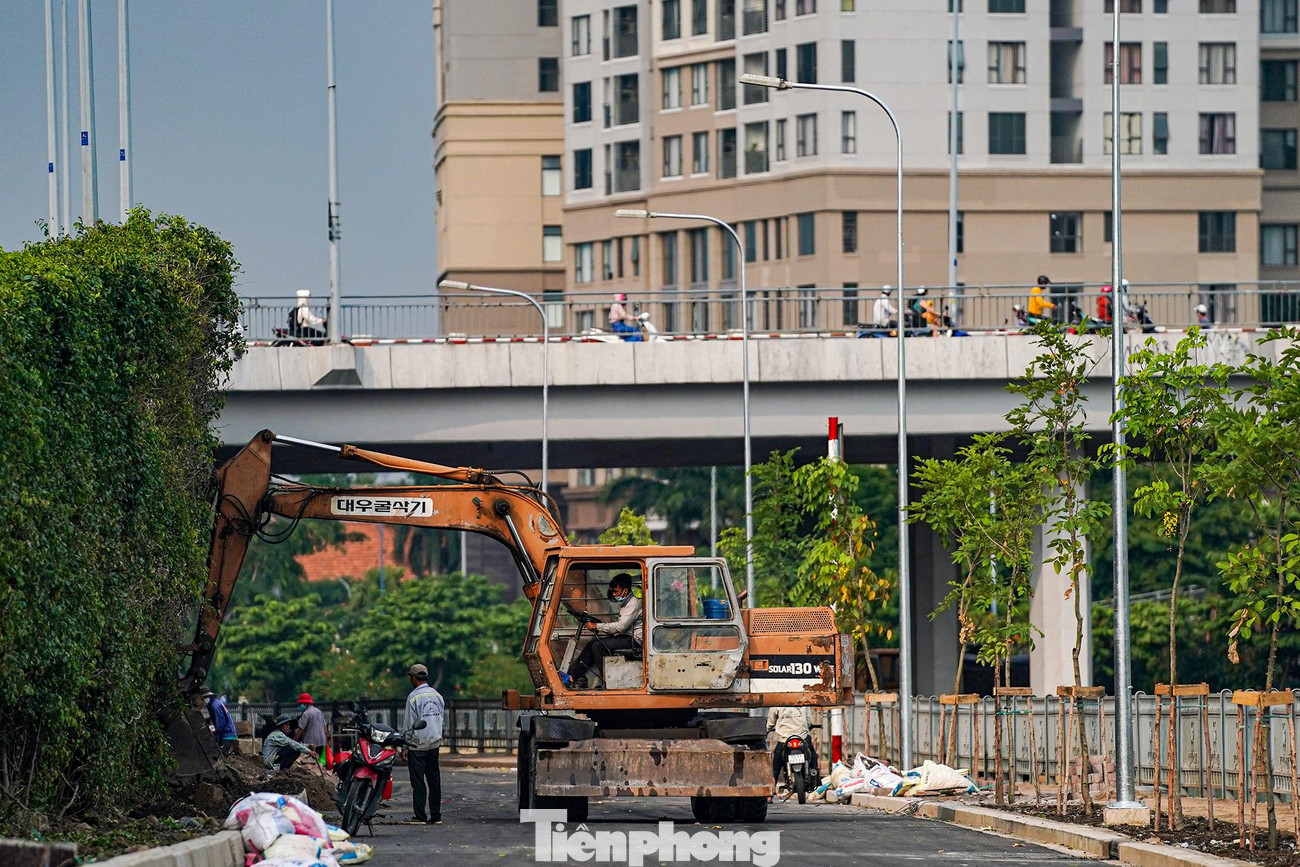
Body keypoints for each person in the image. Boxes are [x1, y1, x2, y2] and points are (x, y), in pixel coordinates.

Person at [563, 573, 643, 690]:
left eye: (616, 591)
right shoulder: (626, 604)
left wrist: (596, 626)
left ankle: (607, 682)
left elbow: (621, 627)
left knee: (597, 646)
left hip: (634, 640)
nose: (614, 594)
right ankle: (572, 676)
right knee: (593, 644)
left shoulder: (633, 604)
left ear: (625, 591)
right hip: (627, 637)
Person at [403, 663, 445, 825]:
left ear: (414, 679)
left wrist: (405, 745)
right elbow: (440, 719)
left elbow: (409, 724)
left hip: (417, 745)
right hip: (434, 743)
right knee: (434, 780)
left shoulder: (413, 697)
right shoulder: (438, 696)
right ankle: (436, 815)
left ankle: (420, 816)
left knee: (418, 781)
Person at [767, 705, 817, 791]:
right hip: (802, 738)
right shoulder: (804, 701)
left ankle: (770, 793)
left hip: (784, 739)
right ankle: (815, 780)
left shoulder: (776, 703)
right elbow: (809, 721)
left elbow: (771, 722)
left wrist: (768, 729)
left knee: (776, 766)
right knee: (812, 756)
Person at [200, 688, 238, 756]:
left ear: (206, 698)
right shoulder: (213, 703)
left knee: (219, 755)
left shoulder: (214, 706)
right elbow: (213, 718)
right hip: (225, 732)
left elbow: (220, 723)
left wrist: (216, 736)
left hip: (227, 734)